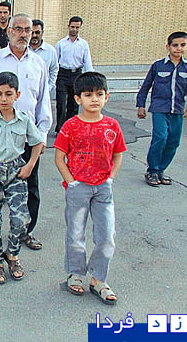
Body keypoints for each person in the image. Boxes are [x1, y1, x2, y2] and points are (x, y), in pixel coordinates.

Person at [0, 14, 52, 250]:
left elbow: (42, 100)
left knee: (30, 184)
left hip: (25, 136)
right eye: (18, 29)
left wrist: (42, 134)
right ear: (9, 32)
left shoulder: (38, 63)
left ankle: (26, 231)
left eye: (28, 30)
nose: (23, 34)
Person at [54, 71, 126, 305]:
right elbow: (59, 157)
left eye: (99, 94)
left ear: (107, 97)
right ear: (78, 99)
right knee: (76, 234)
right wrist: (71, 182)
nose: (94, 99)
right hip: (78, 188)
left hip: (103, 189)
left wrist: (111, 178)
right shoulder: (71, 126)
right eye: (88, 95)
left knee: (107, 236)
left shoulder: (112, 125)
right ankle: (75, 274)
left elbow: (118, 154)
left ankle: (98, 279)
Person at [0, 72, 45, 284]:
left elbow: (38, 143)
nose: (3, 99)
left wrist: (29, 165)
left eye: (8, 94)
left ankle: (12, 255)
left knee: (21, 219)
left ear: (17, 95)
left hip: (16, 172)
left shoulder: (24, 120)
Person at [136, 31, 187, 187]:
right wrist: (141, 105)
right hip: (159, 108)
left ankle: (160, 170)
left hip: (177, 110)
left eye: (182, 45)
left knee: (173, 141)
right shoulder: (158, 65)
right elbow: (146, 86)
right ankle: (152, 170)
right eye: (175, 45)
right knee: (160, 137)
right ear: (168, 47)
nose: (179, 48)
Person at [54, 16, 94, 132]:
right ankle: (61, 128)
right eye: (72, 27)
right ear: (68, 26)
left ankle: (71, 128)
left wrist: (90, 78)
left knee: (74, 103)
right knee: (61, 103)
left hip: (76, 75)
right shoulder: (61, 44)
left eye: (77, 27)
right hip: (62, 74)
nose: (74, 29)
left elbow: (87, 62)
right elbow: (55, 62)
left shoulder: (83, 44)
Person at [29, 19, 58, 92]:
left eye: (37, 32)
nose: (34, 35)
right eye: (32, 32)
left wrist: (49, 87)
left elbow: (54, 70)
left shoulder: (50, 50)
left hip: (44, 90)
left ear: (42, 32)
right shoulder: (23, 50)